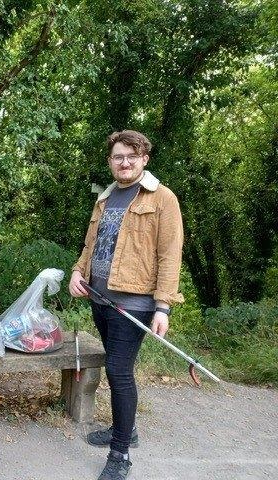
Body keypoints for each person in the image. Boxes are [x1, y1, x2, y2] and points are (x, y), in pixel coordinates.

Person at [69, 130, 184, 480]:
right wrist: (77, 272)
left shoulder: (162, 198)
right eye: (118, 157)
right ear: (110, 162)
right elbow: (91, 246)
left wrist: (162, 306)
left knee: (119, 372)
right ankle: (127, 430)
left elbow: (169, 255)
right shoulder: (105, 199)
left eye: (131, 157)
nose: (124, 162)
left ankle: (119, 454)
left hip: (133, 305)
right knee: (115, 368)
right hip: (100, 299)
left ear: (144, 159)